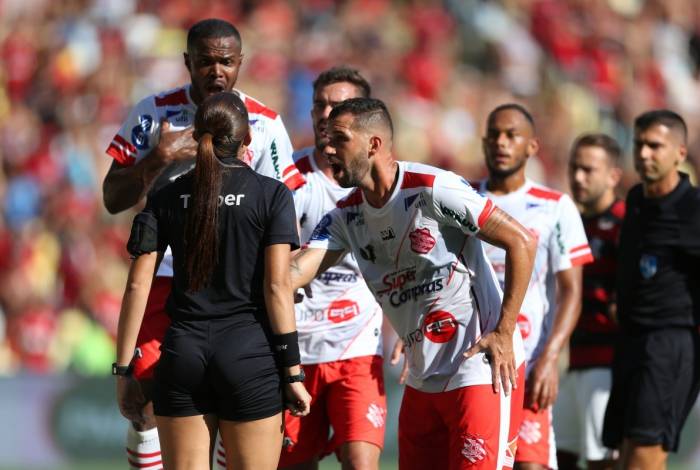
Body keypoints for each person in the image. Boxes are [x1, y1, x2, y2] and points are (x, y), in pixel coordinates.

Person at [290, 97, 537, 470]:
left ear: (373, 144)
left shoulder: (433, 188)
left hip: (477, 368)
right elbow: (294, 272)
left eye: (338, 138)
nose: (326, 147)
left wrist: (504, 331)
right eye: (324, 138)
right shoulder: (345, 216)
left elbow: (521, 241)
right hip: (422, 378)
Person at [103, 18, 305, 470]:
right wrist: (158, 157)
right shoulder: (154, 113)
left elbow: (283, 210)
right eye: (206, 61)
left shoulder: (266, 123)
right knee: (150, 406)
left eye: (226, 62)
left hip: (238, 289)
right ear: (187, 62)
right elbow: (112, 197)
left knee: (226, 406)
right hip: (169, 280)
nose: (216, 71)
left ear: (240, 63)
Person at [477, 104, 593, 470]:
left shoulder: (555, 207)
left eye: (512, 135)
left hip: (528, 360)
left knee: (531, 464)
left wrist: (551, 357)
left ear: (531, 147)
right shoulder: (463, 199)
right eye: (494, 134)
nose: (501, 142)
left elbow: (572, 291)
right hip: (472, 361)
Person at [283, 66, 385, 470]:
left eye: (338, 106)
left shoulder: (384, 184)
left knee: (360, 463)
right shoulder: (288, 177)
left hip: (357, 350)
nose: (326, 114)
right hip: (296, 354)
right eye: (319, 105)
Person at [602, 110, 700, 469]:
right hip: (631, 341)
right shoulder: (638, 201)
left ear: (679, 152)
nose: (644, 153)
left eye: (655, 146)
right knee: (624, 457)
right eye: (640, 144)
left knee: (643, 459)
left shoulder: (693, 208)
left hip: (669, 346)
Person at [554, 133, 624, 470]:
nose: (578, 177)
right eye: (574, 168)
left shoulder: (627, 223)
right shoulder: (570, 222)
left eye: (588, 170)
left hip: (607, 364)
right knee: (556, 456)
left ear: (613, 175)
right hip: (571, 361)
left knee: (603, 460)